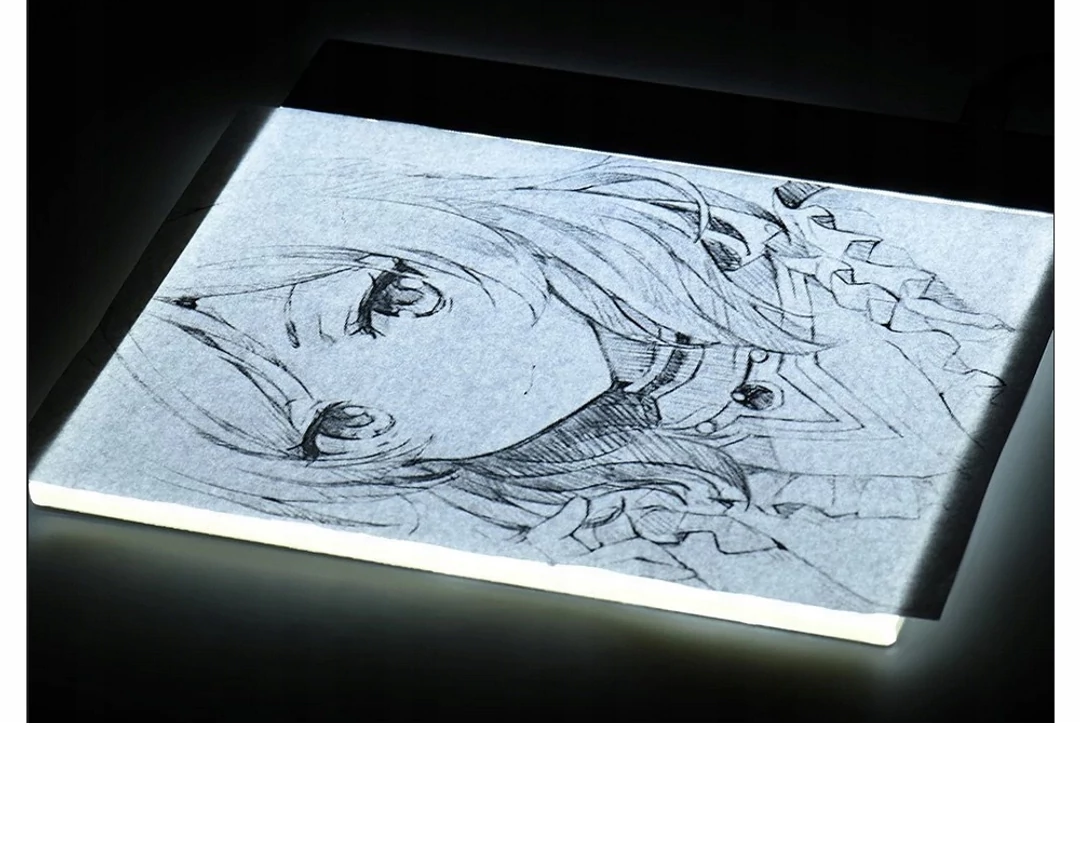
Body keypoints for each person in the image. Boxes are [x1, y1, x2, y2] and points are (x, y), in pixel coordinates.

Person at [117, 158, 1011, 611]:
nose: (383, 423)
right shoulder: (647, 530)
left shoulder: (822, 244)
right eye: (337, 427)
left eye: (392, 293)